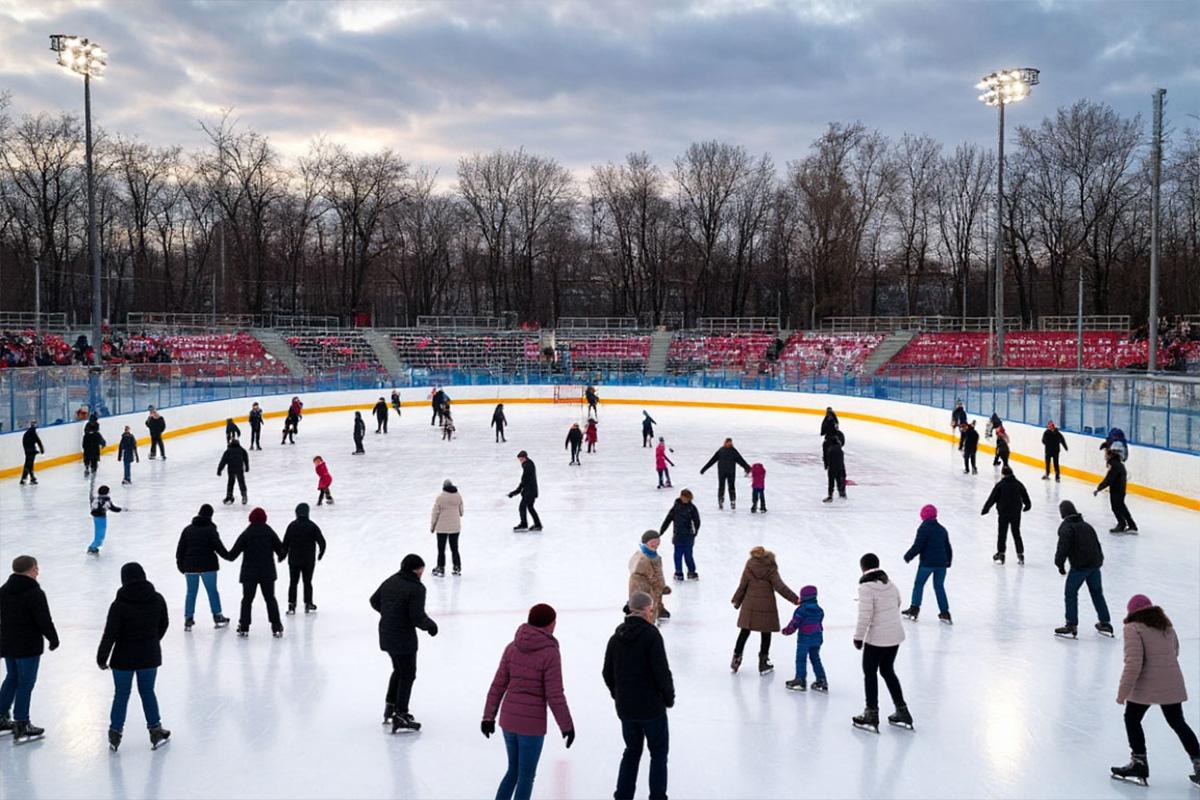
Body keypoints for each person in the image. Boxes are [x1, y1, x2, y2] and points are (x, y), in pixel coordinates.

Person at [482, 604, 575, 800]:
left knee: (513, 771)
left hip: (508, 722)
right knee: (526, 776)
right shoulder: (550, 653)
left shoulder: (512, 647)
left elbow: (497, 685)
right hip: (531, 726)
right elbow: (555, 694)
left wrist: (488, 717)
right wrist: (566, 726)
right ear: (549, 625)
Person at [1110, 594, 1200, 786]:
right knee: (1178, 722)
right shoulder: (1166, 626)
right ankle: (1199, 763)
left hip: (1146, 684)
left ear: (1132, 613)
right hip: (1171, 682)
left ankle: (1139, 763)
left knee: (1132, 719)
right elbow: (1175, 651)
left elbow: (1133, 663)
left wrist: (1122, 693)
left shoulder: (1132, 628)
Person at [603, 590, 674, 800]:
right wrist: (668, 698)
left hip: (626, 709)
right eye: (651, 610)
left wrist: (619, 696)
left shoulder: (616, 638)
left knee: (632, 751)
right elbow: (661, 671)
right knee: (659, 755)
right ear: (645, 611)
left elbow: (607, 673)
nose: (652, 614)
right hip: (651, 709)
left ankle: (623, 796)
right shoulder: (651, 636)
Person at [96, 562, 170, 752]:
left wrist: (102, 657)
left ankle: (115, 733)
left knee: (121, 694)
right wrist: (153, 640)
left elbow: (110, 633)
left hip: (123, 658)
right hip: (149, 656)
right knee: (147, 692)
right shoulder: (157, 599)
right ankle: (155, 729)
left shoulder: (119, 604)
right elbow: (164, 624)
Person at [370, 554, 438, 733]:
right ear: (415, 570)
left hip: (386, 633)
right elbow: (416, 616)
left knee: (399, 670)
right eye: (420, 570)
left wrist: (390, 613)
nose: (422, 574)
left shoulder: (390, 581)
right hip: (403, 637)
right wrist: (430, 626)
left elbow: (374, 601)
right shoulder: (416, 588)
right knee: (408, 673)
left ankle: (390, 707)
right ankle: (400, 714)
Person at [0, 555, 59, 743]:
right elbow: (43, 619)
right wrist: (53, 638)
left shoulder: (3, 591)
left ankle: (1, 716)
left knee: (12, 677)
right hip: (28, 646)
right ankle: (21, 723)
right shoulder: (34, 593)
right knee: (26, 682)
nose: (38, 571)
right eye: (36, 568)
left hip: (9, 643)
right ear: (30, 570)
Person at [852, 553, 911, 732]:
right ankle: (902, 711)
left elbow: (865, 615)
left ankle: (871, 713)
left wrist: (858, 637)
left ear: (863, 568)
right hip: (895, 636)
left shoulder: (866, 588)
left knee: (870, 672)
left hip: (877, 639)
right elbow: (899, 602)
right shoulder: (889, 583)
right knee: (887, 670)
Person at [730, 546, 799, 675]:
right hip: (766, 605)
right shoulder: (770, 566)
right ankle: (763, 662)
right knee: (766, 633)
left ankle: (736, 658)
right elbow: (780, 587)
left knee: (744, 631)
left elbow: (742, 585)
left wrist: (736, 600)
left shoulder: (750, 565)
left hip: (750, 605)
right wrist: (795, 599)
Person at [1053, 500, 1112, 638]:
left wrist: (1059, 565)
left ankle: (1071, 624)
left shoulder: (1066, 528)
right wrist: (1099, 561)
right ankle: (1105, 622)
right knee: (1097, 593)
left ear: (1063, 513)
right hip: (1094, 565)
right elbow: (1097, 545)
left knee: (1071, 592)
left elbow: (1062, 549)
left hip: (1080, 567)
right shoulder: (1086, 525)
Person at [226, 507, 285, 638]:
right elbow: (281, 550)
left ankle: (244, 627)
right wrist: (281, 556)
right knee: (270, 598)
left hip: (249, 573)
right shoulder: (269, 531)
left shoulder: (247, 533)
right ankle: (276, 626)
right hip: (267, 572)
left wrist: (220, 551)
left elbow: (232, 554)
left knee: (247, 600)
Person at [175, 504, 231, 631]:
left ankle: (188, 619)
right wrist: (229, 556)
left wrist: (181, 565)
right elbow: (218, 547)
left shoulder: (188, 530)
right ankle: (217, 615)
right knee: (212, 591)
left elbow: (180, 549)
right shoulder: (211, 530)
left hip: (190, 567)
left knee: (191, 592)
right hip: (208, 566)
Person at [901, 505, 953, 624]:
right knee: (939, 587)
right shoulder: (942, 529)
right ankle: (945, 613)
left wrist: (908, 556)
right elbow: (948, 547)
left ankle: (914, 609)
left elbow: (918, 546)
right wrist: (948, 561)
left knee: (919, 585)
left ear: (923, 515)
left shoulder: (924, 528)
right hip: (941, 564)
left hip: (927, 564)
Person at [281, 503, 326, 615]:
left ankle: (291, 605)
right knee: (307, 582)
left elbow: (285, 543)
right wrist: (320, 553)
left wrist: (282, 555)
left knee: (293, 582)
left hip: (294, 560)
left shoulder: (292, 526)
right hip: (308, 560)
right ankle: (308, 603)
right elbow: (322, 542)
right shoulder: (312, 526)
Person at [981, 466, 1032, 565]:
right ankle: (1020, 553)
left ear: (1003, 474)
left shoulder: (1000, 485)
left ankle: (1001, 553)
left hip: (1003, 513)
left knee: (1002, 533)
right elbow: (1025, 495)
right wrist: (1027, 505)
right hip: (1015, 513)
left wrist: (986, 509)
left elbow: (992, 498)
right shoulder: (1018, 484)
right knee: (1016, 533)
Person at [782, 585, 827, 692]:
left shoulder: (801, 610)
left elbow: (794, 623)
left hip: (804, 639)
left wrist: (786, 631)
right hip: (817, 638)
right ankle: (821, 680)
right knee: (815, 659)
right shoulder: (819, 610)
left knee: (801, 659)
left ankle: (800, 680)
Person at [628, 531, 670, 622]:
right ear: (646, 542)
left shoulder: (654, 556)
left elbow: (658, 575)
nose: (656, 545)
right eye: (653, 542)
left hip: (653, 593)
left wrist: (662, 588)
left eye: (658, 542)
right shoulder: (641, 559)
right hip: (644, 592)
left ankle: (657, 611)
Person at [700, 438, 751, 510]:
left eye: (730, 442)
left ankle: (732, 501)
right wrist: (704, 469)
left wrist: (747, 468)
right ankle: (720, 501)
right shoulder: (721, 450)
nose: (729, 444)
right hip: (722, 472)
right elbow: (712, 460)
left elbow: (740, 460)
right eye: (727, 442)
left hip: (731, 472)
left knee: (731, 487)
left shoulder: (733, 451)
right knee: (721, 487)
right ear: (725, 442)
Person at [660, 489, 700, 581]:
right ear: (681, 496)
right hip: (678, 536)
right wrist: (661, 532)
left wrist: (695, 532)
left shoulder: (692, 508)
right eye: (685, 498)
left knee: (688, 555)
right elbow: (667, 520)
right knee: (677, 556)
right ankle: (679, 573)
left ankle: (691, 572)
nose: (686, 500)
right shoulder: (675, 508)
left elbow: (697, 521)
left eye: (688, 499)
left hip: (688, 537)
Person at [1095, 448, 1137, 534]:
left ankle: (1122, 524)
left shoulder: (1113, 464)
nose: (1104, 457)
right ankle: (1131, 525)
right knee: (1121, 507)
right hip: (1120, 489)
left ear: (1110, 455)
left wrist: (1099, 488)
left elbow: (1109, 478)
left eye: (1105, 455)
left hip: (1117, 490)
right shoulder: (1118, 463)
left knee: (1116, 507)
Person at [430, 479, 464, 577]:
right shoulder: (458, 496)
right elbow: (461, 512)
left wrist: (432, 526)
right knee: (454, 548)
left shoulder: (440, 498)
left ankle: (440, 567)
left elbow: (435, 513)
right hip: (455, 527)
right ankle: (457, 566)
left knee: (441, 549)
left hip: (441, 527)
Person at [509, 451, 542, 531]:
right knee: (530, 507)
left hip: (530, 491)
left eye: (520, 459)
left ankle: (524, 524)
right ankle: (538, 524)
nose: (520, 461)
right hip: (531, 490)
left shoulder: (528, 466)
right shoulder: (528, 464)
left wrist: (515, 492)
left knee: (522, 507)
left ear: (524, 457)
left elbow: (524, 481)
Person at [88, 485, 122, 555]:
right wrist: (121, 509)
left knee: (100, 534)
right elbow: (112, 508)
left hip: (97, 517)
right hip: (101, 518)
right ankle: (92, 548)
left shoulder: (96, 498)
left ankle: (94, 547)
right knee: (100, 534)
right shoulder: (106, 499)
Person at [217, 438, 250, 505]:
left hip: (231, 469)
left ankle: (229, 496)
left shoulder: (228, 451)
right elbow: (246, 458)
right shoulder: (242, 450)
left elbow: (223, 461)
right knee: (241, 483)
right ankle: (244, 496)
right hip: (239, 469)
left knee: (230, 483)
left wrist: (219, 470)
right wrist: (247, 467)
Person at [822, 431, 847, 502]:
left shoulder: (829, 448)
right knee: (840, 478)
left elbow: (826, 457)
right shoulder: (839, 448)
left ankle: (830, 495)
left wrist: (826, 465)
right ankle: (842, 492)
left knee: (831, 480)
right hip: (840, 465)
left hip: (832, 466)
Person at [20, 421, 43, 485]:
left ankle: (29, 478)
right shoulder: (33, 433)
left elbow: (25, 442)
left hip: (28, 451)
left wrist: (27, 450)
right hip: (31, 451)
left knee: (29, 464)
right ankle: (27, 478)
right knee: (29, 465)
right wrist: (41, 449)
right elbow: (38, 441)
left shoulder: (27, 433)